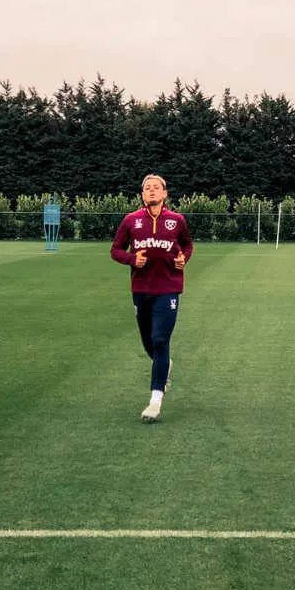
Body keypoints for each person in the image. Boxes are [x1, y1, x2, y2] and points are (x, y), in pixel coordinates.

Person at [111, 174, 193, 422]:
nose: (152, 191)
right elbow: (115, 250)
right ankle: (164, 366)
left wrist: (183, 259)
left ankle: (155, 400)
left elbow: (187, 246)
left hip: (168, 288)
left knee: (160, 340)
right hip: (141, 289)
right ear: (143, 195)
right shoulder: (131, 221)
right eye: (147, 188)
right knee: (148, 342)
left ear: (165, 193)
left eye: (156, 187)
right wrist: (132, 259)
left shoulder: (177, 221)